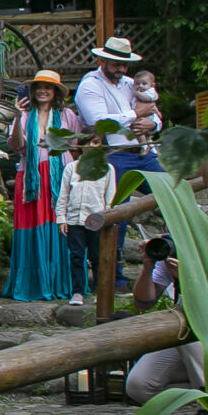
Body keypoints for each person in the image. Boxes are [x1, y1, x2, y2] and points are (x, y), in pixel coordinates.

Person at [74, 36, 162, 286]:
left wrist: (151, 122)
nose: (121, 69)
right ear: (103, 59)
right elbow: (100, 122)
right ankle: (114, 278)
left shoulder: (131, 83)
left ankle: (176, 264)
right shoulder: (90, 85)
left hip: (143, 152)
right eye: (115, 63)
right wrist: (136, 114)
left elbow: (155, 112)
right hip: (113, 154)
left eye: (124, 64)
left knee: (174, 196)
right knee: (117, 215)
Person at [2, 70, 80, 302]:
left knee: (59, 228)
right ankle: (33, 283)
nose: (43, 90)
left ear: (56, 91)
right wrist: (16, 117)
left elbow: (76, 147)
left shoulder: (67, 115)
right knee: (32, 227)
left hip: (59, 178)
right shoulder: (26, 116)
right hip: (31, 179)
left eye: (48, 86)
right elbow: (17, 146)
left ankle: (59, 282)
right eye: (39, 87)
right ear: (33, 91)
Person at [125, 239, 208, 415]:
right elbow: (143, 304)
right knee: (139, 386)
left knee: (184, 331)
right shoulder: (169, 260)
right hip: (191, 341)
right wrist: (147, 267)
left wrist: (188, 278)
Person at [56, 152, 116, 308]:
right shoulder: (71, 167)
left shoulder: (107, 169)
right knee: (76, 256)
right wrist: (61, 218)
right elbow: (63, 193)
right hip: (75, 219)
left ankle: (99, 291)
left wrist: (107, 218)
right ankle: (78, 292)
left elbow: (110, 197)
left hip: (97, 220)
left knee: (97, 257)